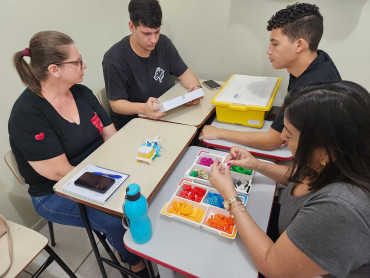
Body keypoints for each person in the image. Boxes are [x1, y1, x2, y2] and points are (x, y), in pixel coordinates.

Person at [9, 31, 150, 276]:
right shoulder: (28, 116)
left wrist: (132, 166)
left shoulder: (81, 93)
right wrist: (114, 188)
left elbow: (110, 136)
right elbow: (61, 173)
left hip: (98, 169)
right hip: (55, 191)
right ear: (55, 70)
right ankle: (136, 266)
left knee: (144, 189)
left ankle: (133, 244)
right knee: (117, 220)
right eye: (77, 62)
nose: (84, 65)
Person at [209, 81, 370, 277]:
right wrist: (256, 164)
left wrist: (230, 196)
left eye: (291, 135)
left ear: (326, 152)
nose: (283, 137)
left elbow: (273, 268)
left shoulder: (339, 209)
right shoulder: (338, 163)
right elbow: (302, 179)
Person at [199, 3, 342, 150]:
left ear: (299, 45)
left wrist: (219, 132)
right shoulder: (318, 59)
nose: (268, 51)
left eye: (275, 44)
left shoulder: (309, 91)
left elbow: (273, 141)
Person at [103, 0, 202, 130]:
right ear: (132, 27)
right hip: (133, 123)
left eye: (157, 32)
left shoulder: (163, 43)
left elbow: (185, 73)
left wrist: (196, 90)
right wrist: (144, 109)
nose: (154, 40)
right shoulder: (114, 59)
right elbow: (116, 103)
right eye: (147, 34)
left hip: (163, 115)